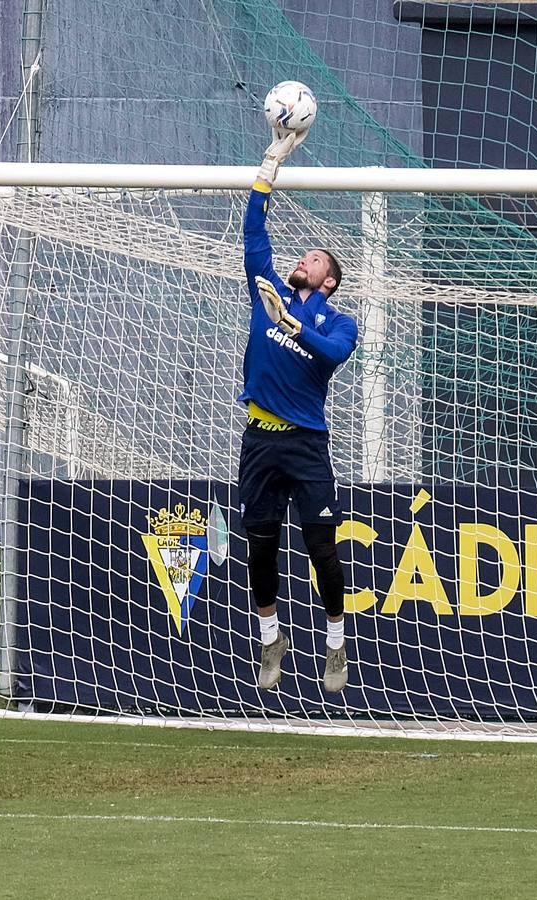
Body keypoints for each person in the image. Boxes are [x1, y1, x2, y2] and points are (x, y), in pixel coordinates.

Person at [238, 125, 359, 694]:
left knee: (321, 549)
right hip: (260, 438)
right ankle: (271, 639)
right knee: (259, 545)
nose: (301, 260)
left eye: (312, 259)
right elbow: (253, 230)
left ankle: (335, 646)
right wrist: (270, 163)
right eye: (302, 255)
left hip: (307, 445)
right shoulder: (270, 292)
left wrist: (294, 328)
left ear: (328, 281)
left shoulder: (337, 322)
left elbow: (334, 353)